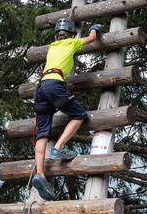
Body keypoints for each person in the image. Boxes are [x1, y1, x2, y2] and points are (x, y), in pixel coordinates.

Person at [31, 18, 102, 201]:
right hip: (55, 83)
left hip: (40, 87)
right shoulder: (71, 41)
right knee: (79, 115)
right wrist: (94, 27)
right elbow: (91, 38)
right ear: (71, 35)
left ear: (57, 34)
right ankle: (59, 147)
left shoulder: (52, 47)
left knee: (42, 134)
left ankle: (40, 173)